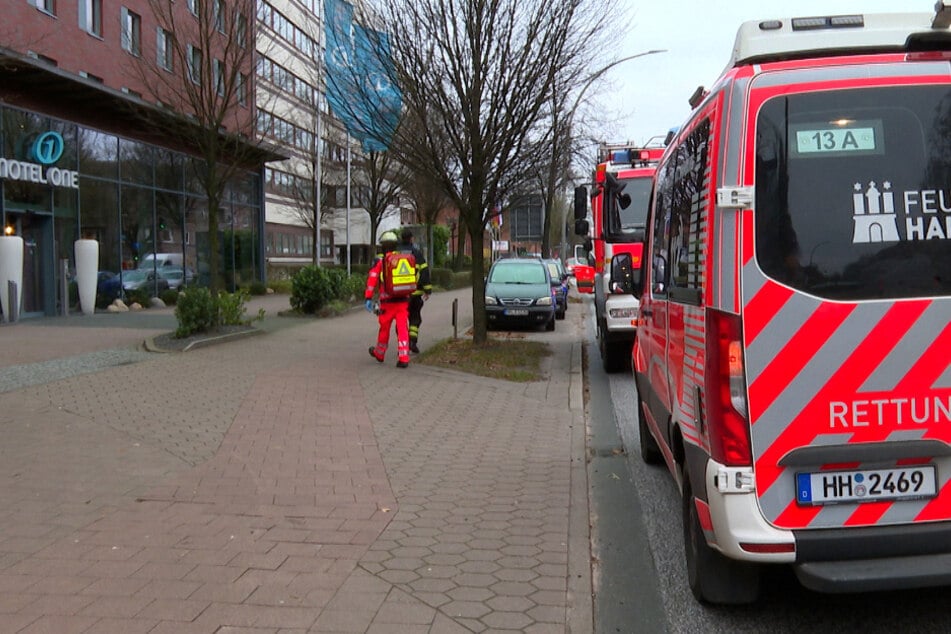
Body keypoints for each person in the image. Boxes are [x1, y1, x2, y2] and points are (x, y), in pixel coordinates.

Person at [365, 231, 411, 368]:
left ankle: (380, 353)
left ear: (384, 246)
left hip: (387, 303)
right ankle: (404, 357)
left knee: (384, 329)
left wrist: (368, 297)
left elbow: (372, 279)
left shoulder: (381, 262)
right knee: (403, 328)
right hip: (402, 301)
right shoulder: (404, 259)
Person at [399, 227, 432, 353]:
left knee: (401, 321)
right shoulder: (416, 253)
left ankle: (402, 344)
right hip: (415, 293)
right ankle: (412, 342)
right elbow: (424, 272)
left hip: (399, 295)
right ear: (411, 238)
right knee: (415, 318)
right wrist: (427, 290)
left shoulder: (395, 253)